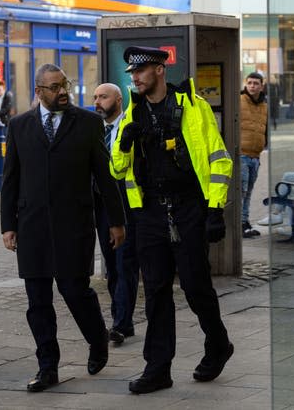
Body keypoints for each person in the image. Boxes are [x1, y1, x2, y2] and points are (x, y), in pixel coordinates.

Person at [112, 46, 233, 394]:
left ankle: (218, 343)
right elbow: (117, 169)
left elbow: (219, 159)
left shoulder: (194, 108)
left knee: (196, 286)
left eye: (141, 71)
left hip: (189, 208)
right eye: (132, 73)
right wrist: (124, 144)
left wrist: (214, 209)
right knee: (156, 291)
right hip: (149, 212)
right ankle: (158, 368)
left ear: (160, 70)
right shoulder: (131, 114)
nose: (134, 78)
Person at [0, 64, 126, 393]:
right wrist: (7, 226)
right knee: (37, 300)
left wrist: (116, 221)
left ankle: (98, 340)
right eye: (54, 87)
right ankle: (47, 366)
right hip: (32, 227)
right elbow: (10, 180)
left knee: (75, 292)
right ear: (39, 92)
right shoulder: (19, 126)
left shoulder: (87, 123)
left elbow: (104, 174)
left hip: (74, 225)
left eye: (64, 85)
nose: (62, 92)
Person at [92, 83, 139, 345]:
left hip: (127, 203)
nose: (97, 102)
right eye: (95, 97)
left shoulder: (130, 125)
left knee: (125, 262)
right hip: (101, 206)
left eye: (103, 97)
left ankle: (121, 322)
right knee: (111, 264)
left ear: (118, 100)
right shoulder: (94, 129)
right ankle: (121, 317)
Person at [240, 72, 268, 238]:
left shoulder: (264, 105)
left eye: (256, 83)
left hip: (255, 156)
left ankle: (245, 221)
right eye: (249, 83)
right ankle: (241, 223)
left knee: (249, 192)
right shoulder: (239, 101)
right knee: (241, 191)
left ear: (261, 86)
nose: (252, 86)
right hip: (241, 154)